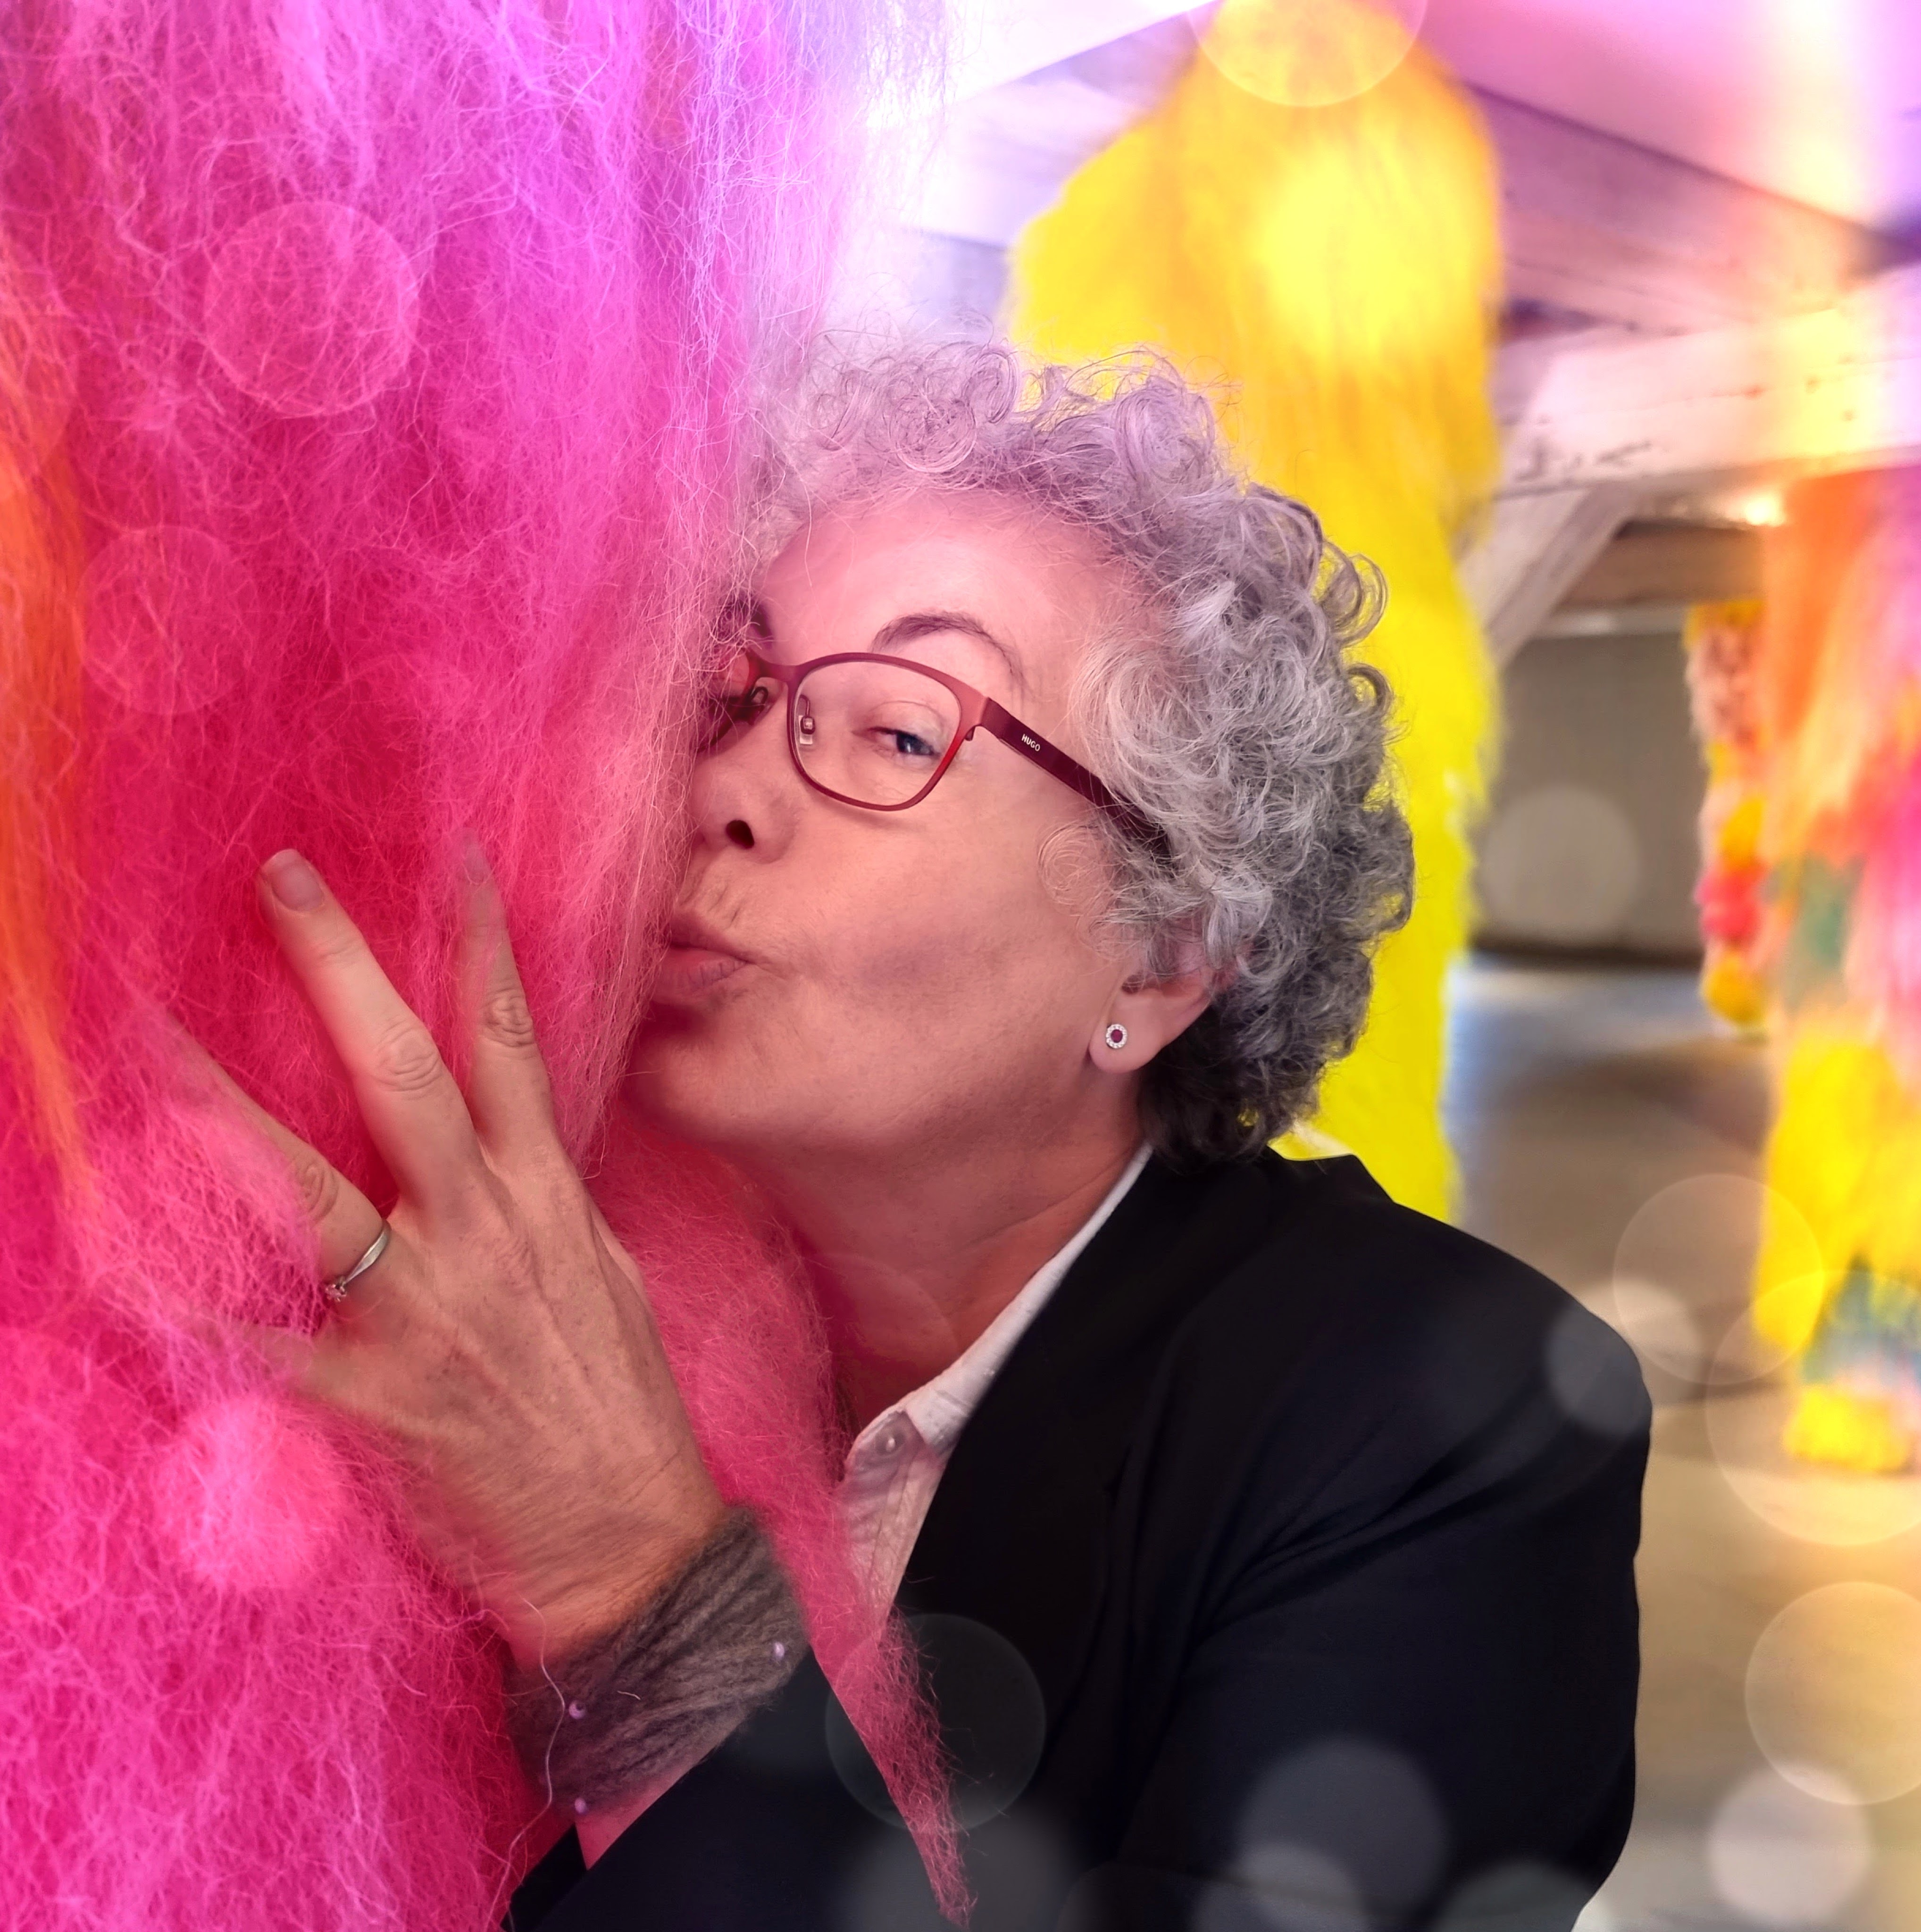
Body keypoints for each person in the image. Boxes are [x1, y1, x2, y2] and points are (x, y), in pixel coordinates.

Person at [221, 346, 1647, 1931]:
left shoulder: (1444, 1414)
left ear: (1164, 958)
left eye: (899, 733)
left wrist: (628, 1593)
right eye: (728, 695)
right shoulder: (538, 1256)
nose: (722, 790)